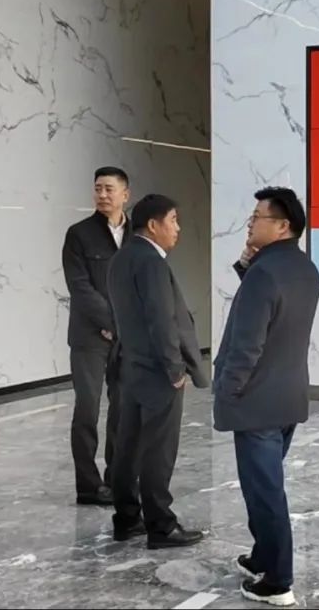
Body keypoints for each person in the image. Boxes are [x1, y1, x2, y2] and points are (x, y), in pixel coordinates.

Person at [213, 187, 319, 608]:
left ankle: (278, 581)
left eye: (257, 217)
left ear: (282, 226)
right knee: (264, 486)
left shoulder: (264, 274)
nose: (250, 223)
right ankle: (262, 556)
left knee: (265, 493)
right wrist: (248, 266)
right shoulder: (304, 269)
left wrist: (227, 391)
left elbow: (247, 345)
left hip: (256, 402)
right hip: (287, 396)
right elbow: (274, 311)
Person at [106, 194, 209, 547]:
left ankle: (127, 518)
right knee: (158, 450)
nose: (178, 228)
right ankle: (161, 526)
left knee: (128, 445)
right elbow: (161, 320)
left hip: (130, 365)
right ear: (153, 225)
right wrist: (175, 369)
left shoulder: (121, 258)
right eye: (174, 220)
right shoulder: (151, 262)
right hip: (156, 371)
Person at [61, 166, 130, 506]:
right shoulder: (79, 234)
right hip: (89, 336)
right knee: (87, 409)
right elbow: (80, 287)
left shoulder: (138, 235)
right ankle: (88, 486)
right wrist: (110, 322)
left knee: (122, 410)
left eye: (109, 189)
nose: (102, 195)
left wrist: (124, 327)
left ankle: (116, 480)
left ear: (125, 195)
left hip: (127, 338)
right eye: (98, 189)